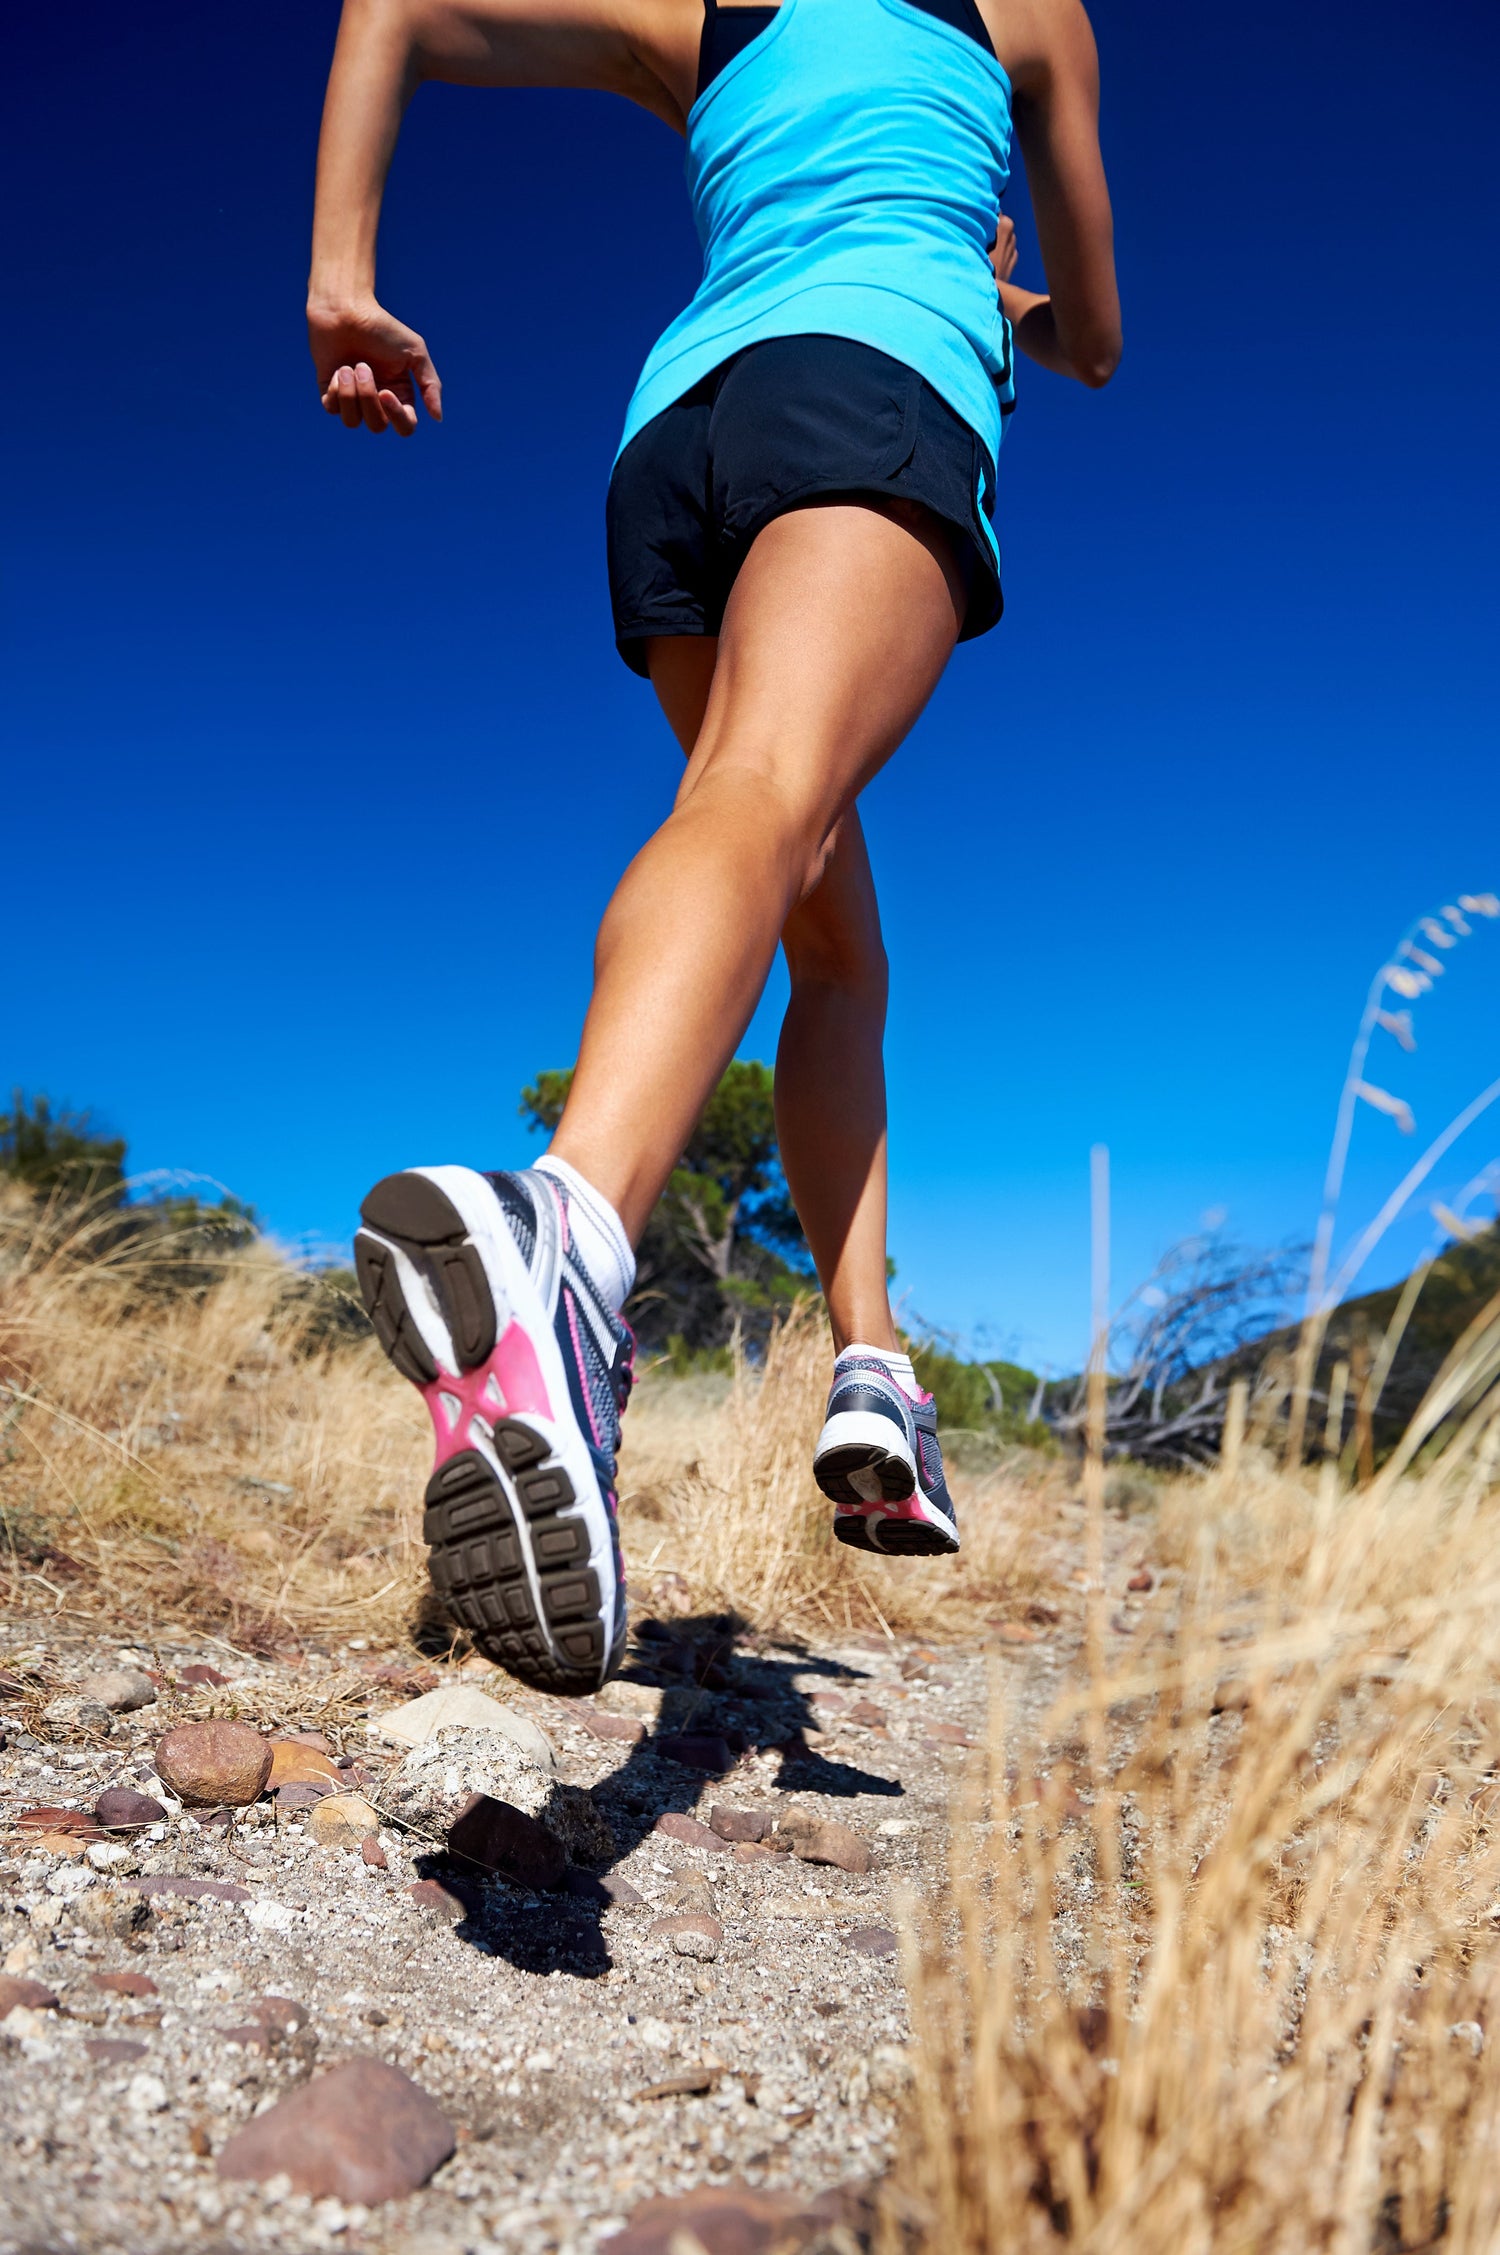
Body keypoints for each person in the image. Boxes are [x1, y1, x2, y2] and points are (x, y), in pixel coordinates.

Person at [308, 0, 1120, 1695]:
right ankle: (573, 1244)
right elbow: (1099, 338)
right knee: (765, 795)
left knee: (822, 920)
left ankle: (870, 1357)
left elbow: (391, 5)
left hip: (678, 429)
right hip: (875, 377)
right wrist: (1007, 285)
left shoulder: (701, 11)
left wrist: (341, 277)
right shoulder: (1029, 17)